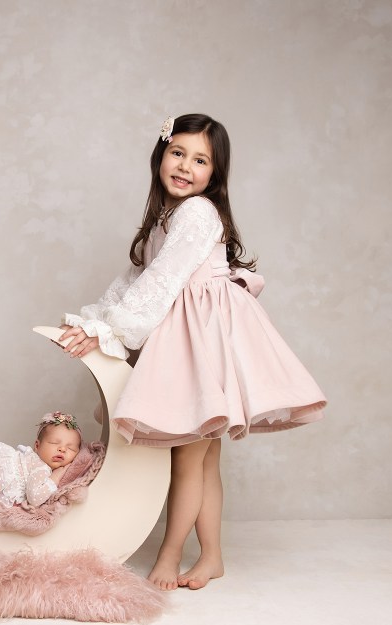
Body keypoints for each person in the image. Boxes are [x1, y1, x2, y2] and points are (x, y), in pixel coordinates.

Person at [59, 114, 327, 591]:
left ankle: (170, 554)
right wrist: (94, 322)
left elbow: (160, 287)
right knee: (203, 460)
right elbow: (134, 282)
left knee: (187, 456)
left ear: (214, 174)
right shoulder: (166, 218)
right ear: (161, 155)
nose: (185, 166)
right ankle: (213, 557)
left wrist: (107, 332)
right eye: (178, 153)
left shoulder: (198, 213)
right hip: (191, 334)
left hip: (207, 338)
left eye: (200, 160)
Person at [0, 411, 82, 559]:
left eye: (71, 448)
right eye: (54, 443)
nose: (62, 449)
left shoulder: (35, 463)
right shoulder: (39, 467)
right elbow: (35, 498)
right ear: (37, 445)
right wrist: (57, 475)